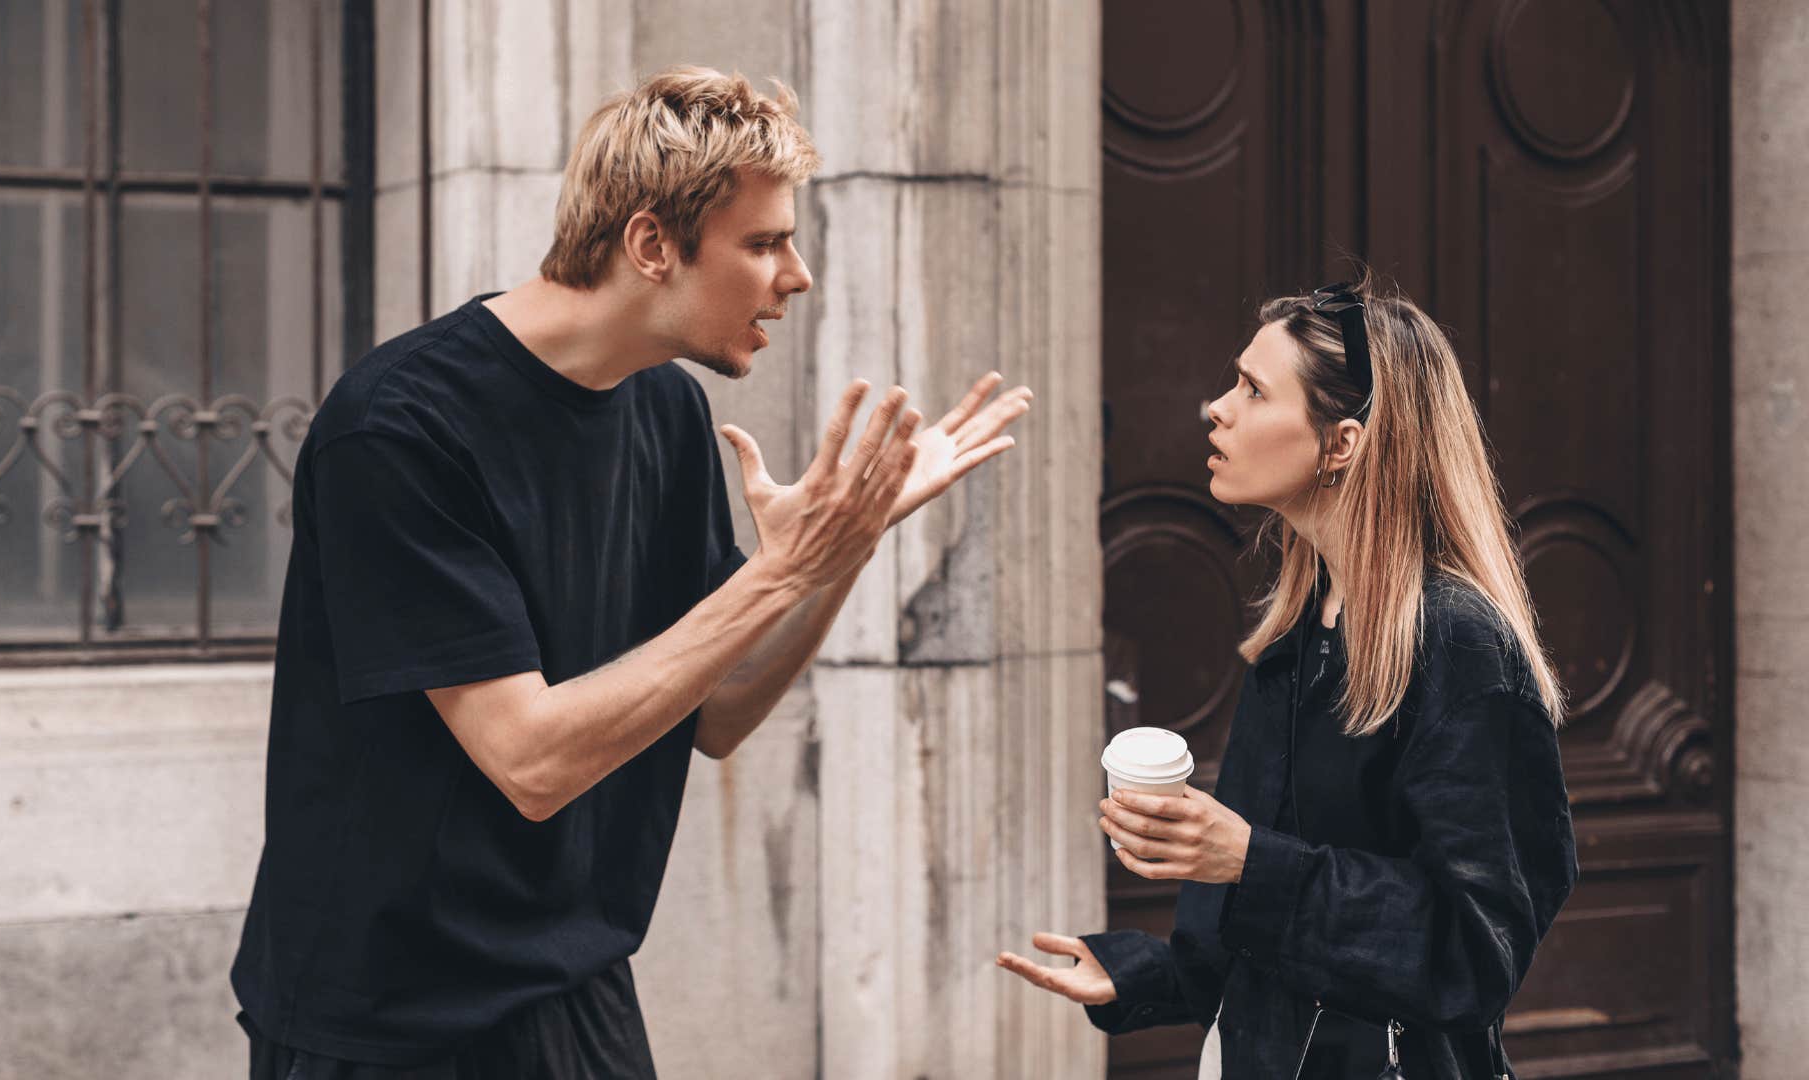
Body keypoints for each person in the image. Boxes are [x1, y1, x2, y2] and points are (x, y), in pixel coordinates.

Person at [230, 66, 1032, 1079]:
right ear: (653, 244)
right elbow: (530, 762)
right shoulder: (397, 428)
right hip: (386, 1016)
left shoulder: (666, 411)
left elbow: (720, 711)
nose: (798, 276)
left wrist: (847, 540)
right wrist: (784, 573)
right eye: (764, 242)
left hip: (574, 983)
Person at [998, 277, 1577, 1078]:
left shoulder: (1459, 645)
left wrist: (1250, 860)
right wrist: (1147, 975)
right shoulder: (1300, 635)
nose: (1217, 408)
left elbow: (1477, 954)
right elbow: (1251, 927)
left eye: (1252, 390)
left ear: (1341, 444)